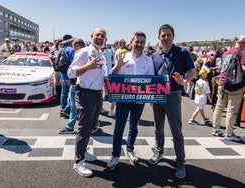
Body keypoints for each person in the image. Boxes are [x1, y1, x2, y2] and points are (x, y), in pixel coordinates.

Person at [149, 24, 196, 179]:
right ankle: (159, 151)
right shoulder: (155, 55)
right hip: (157, 96)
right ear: (159, 37)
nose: (166, 38)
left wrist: (185, 81)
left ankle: (180, 161)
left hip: (173, 95)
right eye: (163, 35)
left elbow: (192, 71)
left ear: (173, 36)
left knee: (176, 131)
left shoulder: (181, 52)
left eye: (169, 35)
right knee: (158, 127)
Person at [106, 31, 154, 170]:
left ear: (144, 44)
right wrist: (117, 66)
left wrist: (144, 97)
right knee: (118, 128)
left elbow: (150, 82)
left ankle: (130, 150)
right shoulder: (122, 56)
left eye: (141, 42)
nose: (138, 44)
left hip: (139, 101)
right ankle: (115, 155)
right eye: (136, 41)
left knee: (134, 127)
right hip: (123, 99)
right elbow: (112, 76)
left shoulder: (148, 61)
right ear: (131, 42)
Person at [67, 28, 107, 177]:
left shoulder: (101, 54)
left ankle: (84, 151)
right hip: (85, 94)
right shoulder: (84, 52)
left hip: (98, 95)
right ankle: (78, 162)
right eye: (97, 35)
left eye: (102, 36)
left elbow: (104, 74)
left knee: (91, 127)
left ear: (105, 40)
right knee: (83, 129)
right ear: (91, 36)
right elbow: (71, 72)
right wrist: (87, 67)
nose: (100, 37)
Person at [212, 35, 245, 141]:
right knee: (231, 109)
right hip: (235, 84)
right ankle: (229, 133)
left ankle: (216, 129)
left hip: (223, 82)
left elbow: (223, 68)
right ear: (243, 43)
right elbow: (244, 68)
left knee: (219, 106)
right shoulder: (242, 52)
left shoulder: (226, 53)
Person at [58, 39, 85, 134]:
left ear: (78, 46)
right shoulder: (76, 54)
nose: (72, 48)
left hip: (81, 85)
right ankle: (70, 126)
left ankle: (94, 123)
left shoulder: (84, 55)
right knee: (73, 106)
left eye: (74, 46)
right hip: (74, 83)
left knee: (84, 107)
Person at [59, 34, 75, 118]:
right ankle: (67, 109)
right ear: (70, 41)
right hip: (69, 75)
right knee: (72, 94)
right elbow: (74, 62)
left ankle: (62, 109)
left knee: (64, 93)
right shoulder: (70, 50)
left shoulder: (60, 50)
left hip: (62, 75)